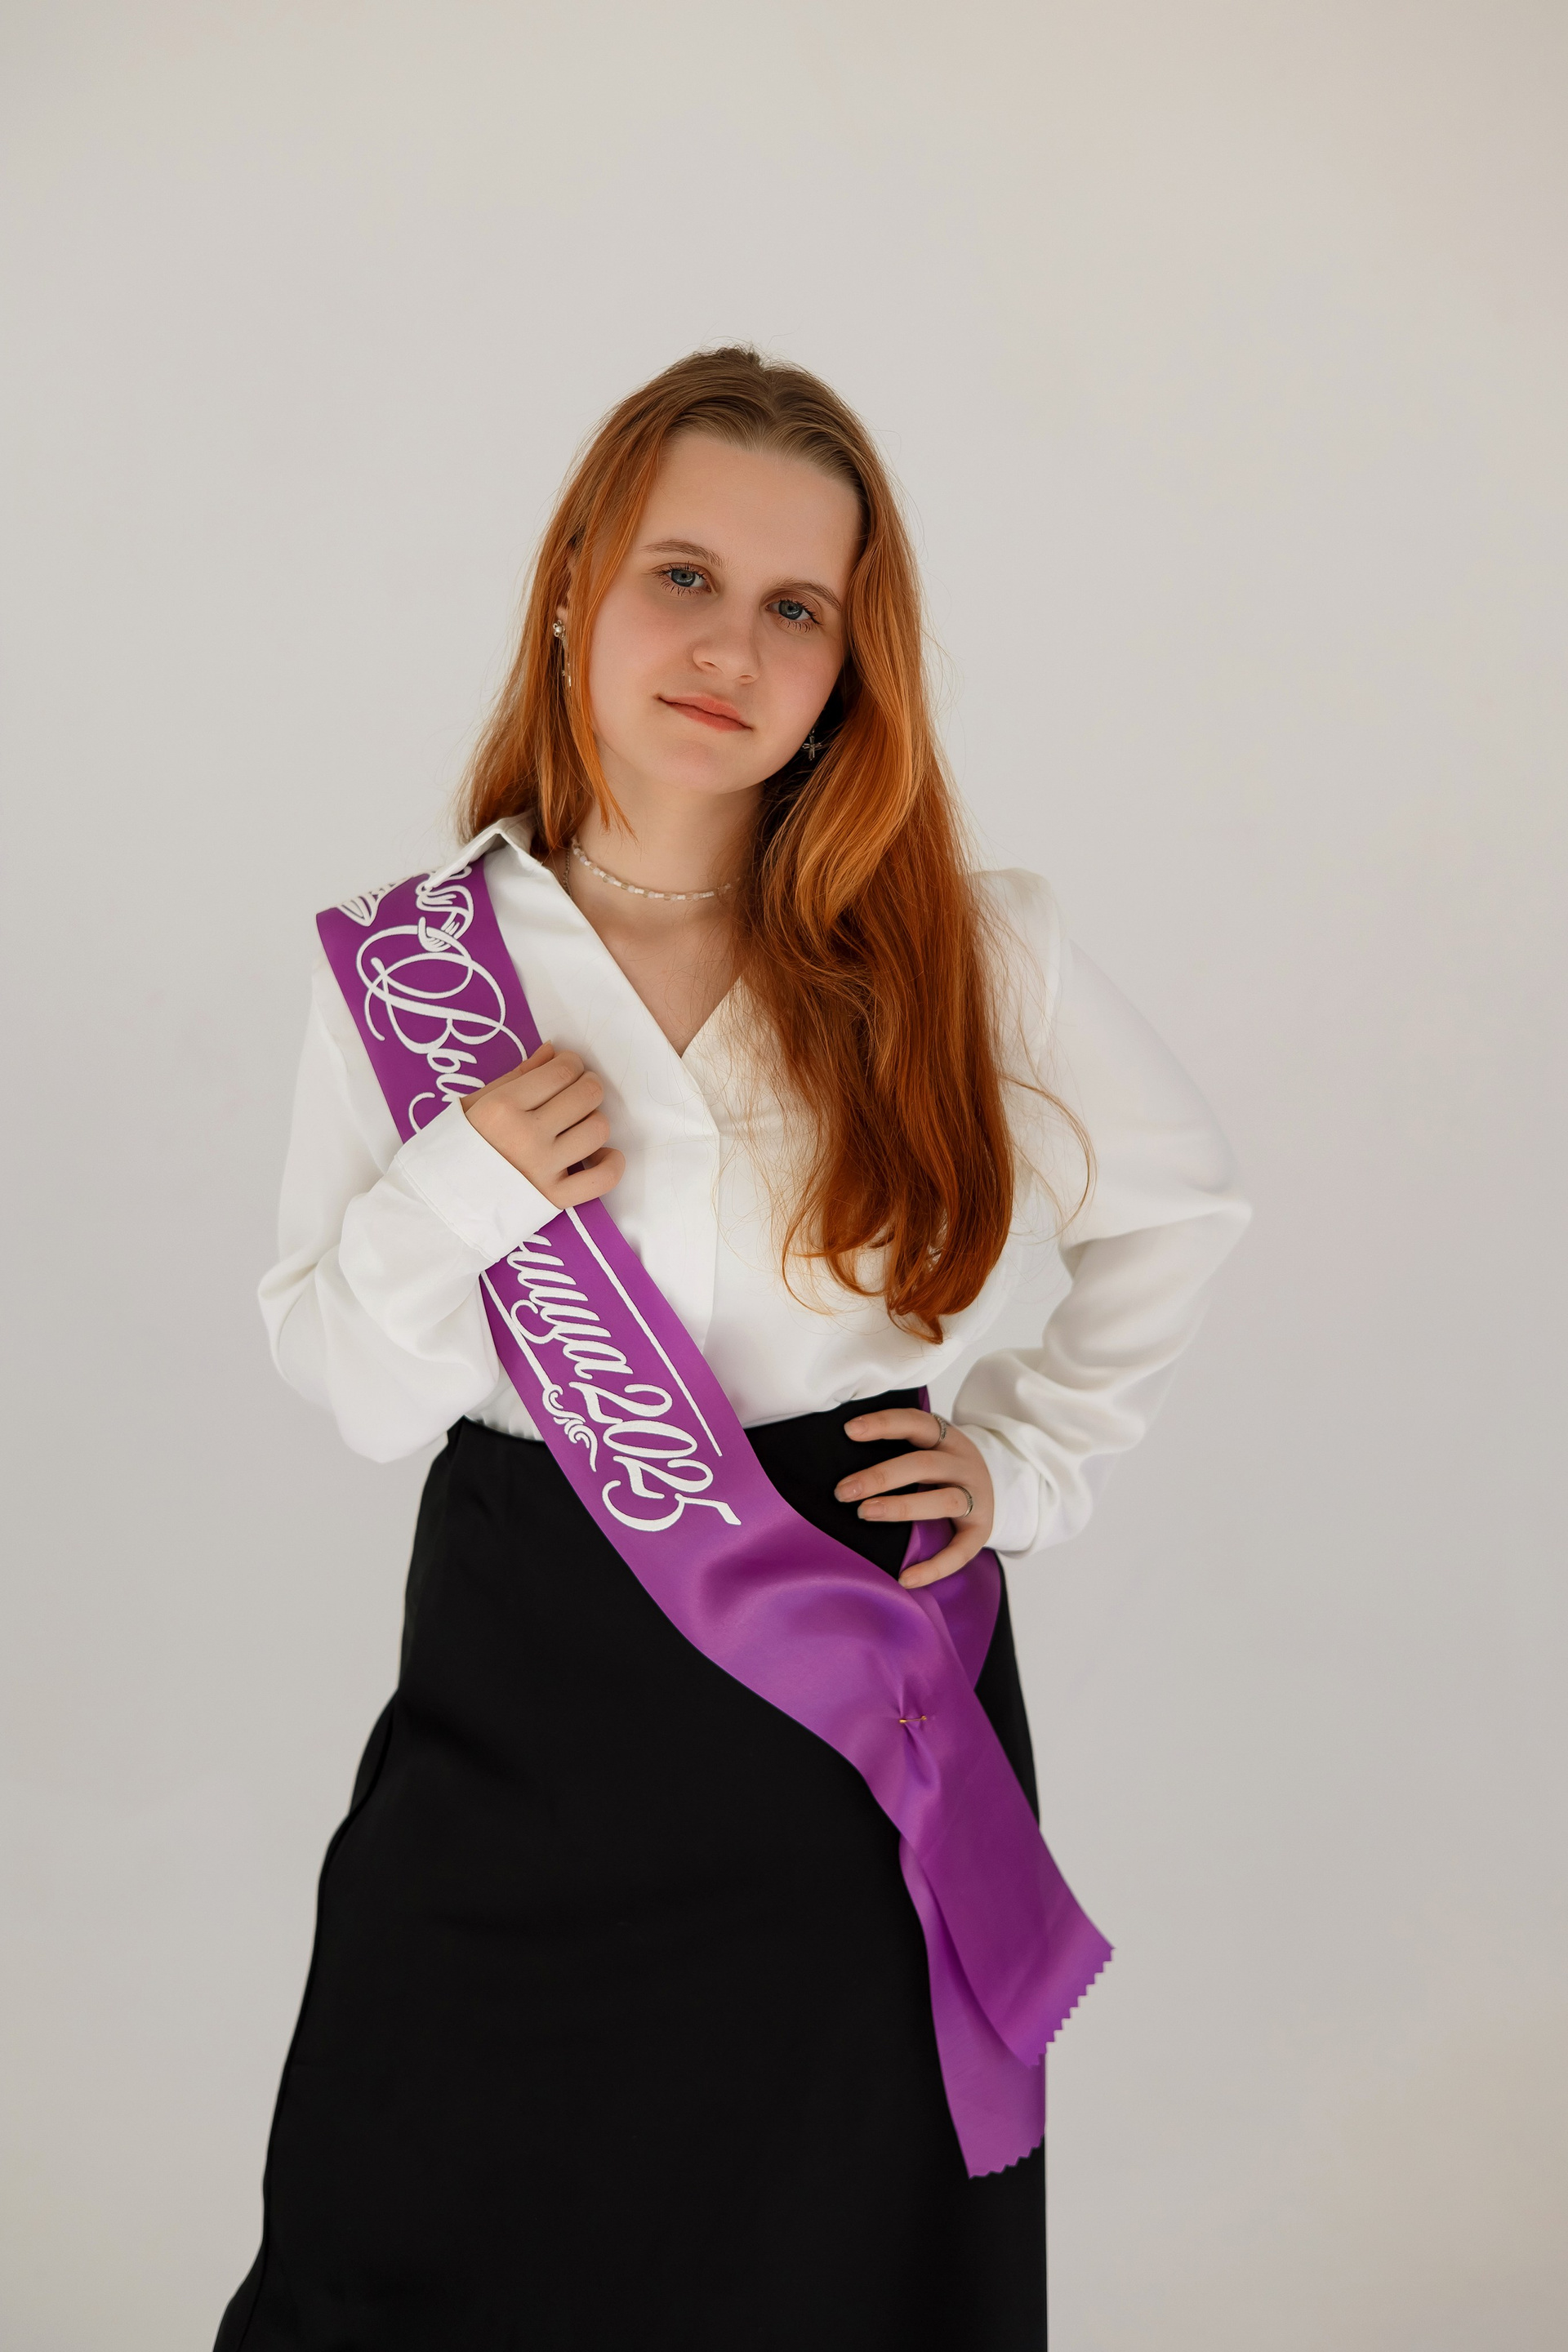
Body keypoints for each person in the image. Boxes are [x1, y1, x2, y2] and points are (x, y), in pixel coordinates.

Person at [216, 345, 1248, 2351]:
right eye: (682, 576)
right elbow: (352, 1390)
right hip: (521, 1680)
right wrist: (461, 1188)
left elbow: (1183, 1208)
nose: (731, 648)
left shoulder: (961, 944)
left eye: (798, 609)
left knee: (827, 2264)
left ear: (851, 668)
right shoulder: (414, 965)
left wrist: (1029, 1457)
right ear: (573, 586)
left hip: (841, 1710)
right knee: (402, 2222)